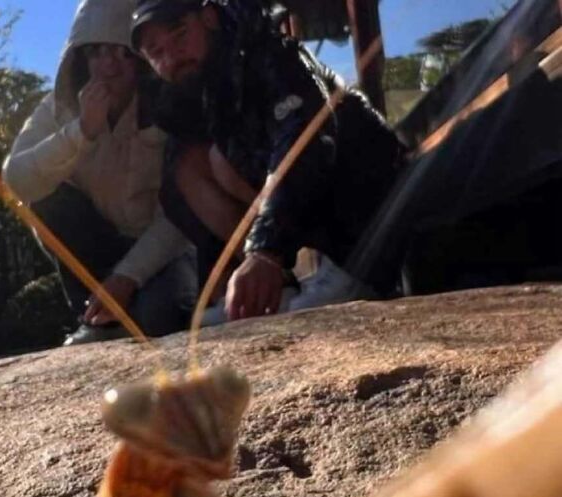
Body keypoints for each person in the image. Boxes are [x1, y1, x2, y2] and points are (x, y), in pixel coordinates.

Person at [130, 0, 406, 322]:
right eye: (157, 53)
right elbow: (181, 193)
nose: (172, 57)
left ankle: (351, 271)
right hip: (316, 220)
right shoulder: (208, 88)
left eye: (179, 36)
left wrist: (265, 251)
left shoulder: (271, 55)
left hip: (376, 209)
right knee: (201, 163)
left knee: (304, 146)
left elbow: (306, 141)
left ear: (208, 18)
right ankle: (282, 288)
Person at [3, 0, 197, 345]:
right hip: (98, 248)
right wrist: (81, 132)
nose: (107, 67)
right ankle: (96, 317)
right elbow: (17, 180)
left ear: (139, 57)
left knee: (160, 318)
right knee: (51, 203)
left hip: (166, 249)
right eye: (95, 52)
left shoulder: (172, 106)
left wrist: (126, 277)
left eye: (120, 52)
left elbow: (181, 213)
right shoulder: (58, 107)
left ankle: (135, 307)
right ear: (80, 59)